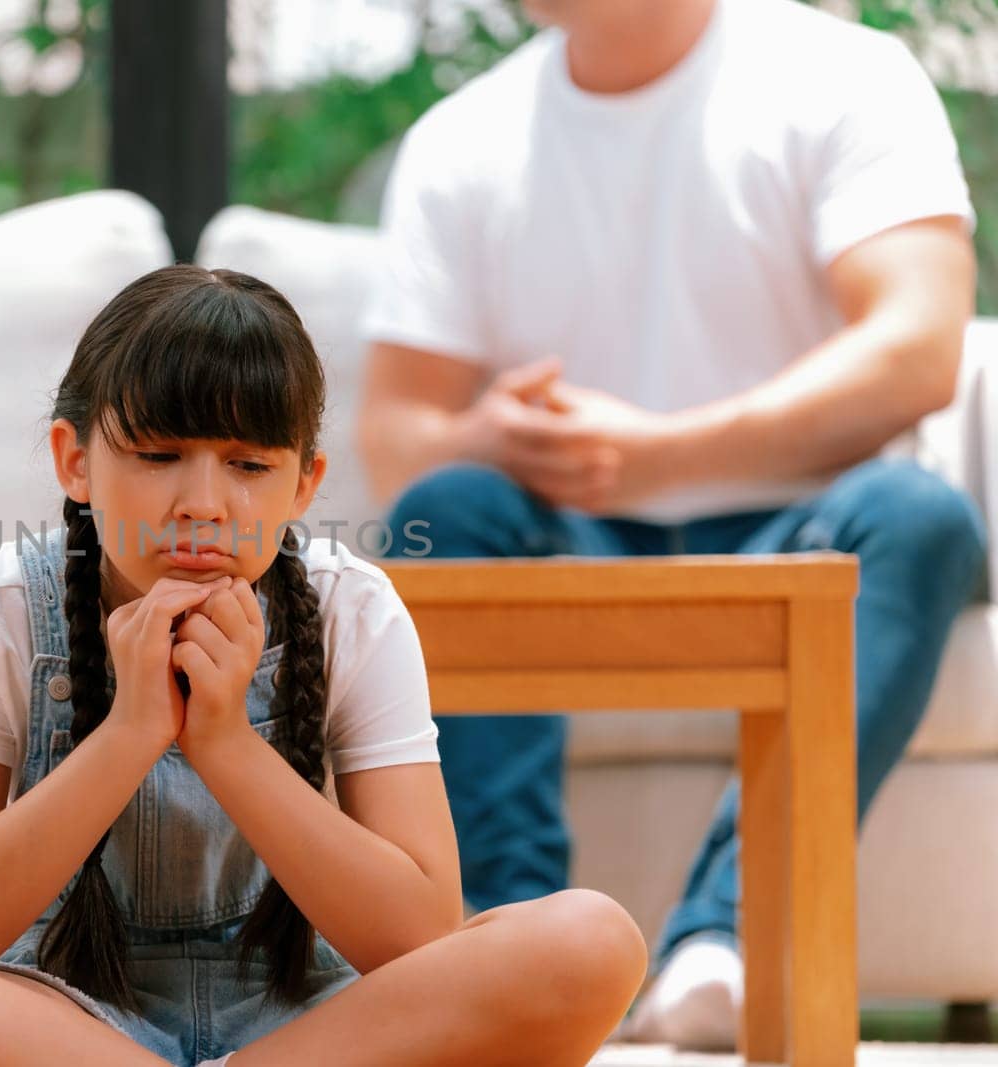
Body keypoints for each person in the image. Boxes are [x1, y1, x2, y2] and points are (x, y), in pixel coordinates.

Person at [0, 265, 649, 1066]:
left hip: (308, 1022)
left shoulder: (354, 607)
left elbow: (418, 933)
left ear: (304, 486)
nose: (202, 505)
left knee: (590, 939)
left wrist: (228, 740)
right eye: (158, 456)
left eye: (247, 466)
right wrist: (130, 733)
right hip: (64, 1020)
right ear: (74, 461)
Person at [358, 0, 986, 1051]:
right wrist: (485, 433)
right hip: (568, 532)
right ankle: (510, 938)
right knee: (443, 509)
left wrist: (660, 451)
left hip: (803, 525)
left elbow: (918, 344)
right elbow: (390, 435)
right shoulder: (461, 140)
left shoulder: (845, 76)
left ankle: (721, 942)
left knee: (920, 515)